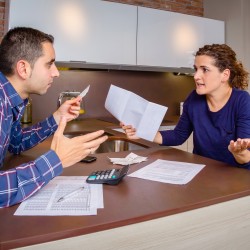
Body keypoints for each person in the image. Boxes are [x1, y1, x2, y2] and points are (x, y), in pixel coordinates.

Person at [0, 27, 108, 208]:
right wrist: (55, 160)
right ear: (23, 68)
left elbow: (16, 143)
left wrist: (57, 117)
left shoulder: (10, 100)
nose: (56, 73)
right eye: (49, 64)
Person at [121, 44, 250, 169]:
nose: (196, 76)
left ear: (225, 75)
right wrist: (143, 132)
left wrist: (239, 152)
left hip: (235, 177)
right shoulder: (194, 98)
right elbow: (178, 135)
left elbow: (245, 157)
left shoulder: (242, 101)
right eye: (196, 69)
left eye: (204, 70)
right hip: (203, 172)